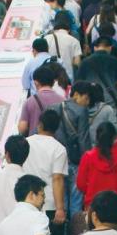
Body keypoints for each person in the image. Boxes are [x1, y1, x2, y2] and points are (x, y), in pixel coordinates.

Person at [76, 122, 117, 235]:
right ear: (115, 137)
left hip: (93, 210)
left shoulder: (88, 157)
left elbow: (81, 184)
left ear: (97, 137)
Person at [23, 110, 68, 235]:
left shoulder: (25, 143)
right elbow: (57, 178)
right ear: (57, 128)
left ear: (40, 124)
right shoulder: (59, 149)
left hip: (26, 202)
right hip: (48, 205)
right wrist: (60, 208)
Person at [51, 80, 92, 219]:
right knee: (75, 200)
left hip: (57, 160)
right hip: (75, 161)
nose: (87, 103)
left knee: (61, 200)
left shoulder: (53, 107)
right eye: (86, 98)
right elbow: (83, 139)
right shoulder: (82, 111)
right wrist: (87, 161)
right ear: (76, 95)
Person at [75, 36, 117, 108]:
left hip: (90, 102)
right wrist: (115, 86)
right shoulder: (115, 61)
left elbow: (78, 83)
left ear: (95, 48)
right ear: (110, 48)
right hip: (110, 102)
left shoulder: (85, 62)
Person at [17, 66, 64, 137]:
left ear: (36, 83)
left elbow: (22, 128)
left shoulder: (29, 101)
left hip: (35, 144)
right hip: (58, 142)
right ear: (54, 82)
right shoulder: (63, 100)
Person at [43, 13, 82, 81]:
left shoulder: (46, 39)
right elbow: (77, 63)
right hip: (67, 77)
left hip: (50, 77)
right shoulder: (74, 41)